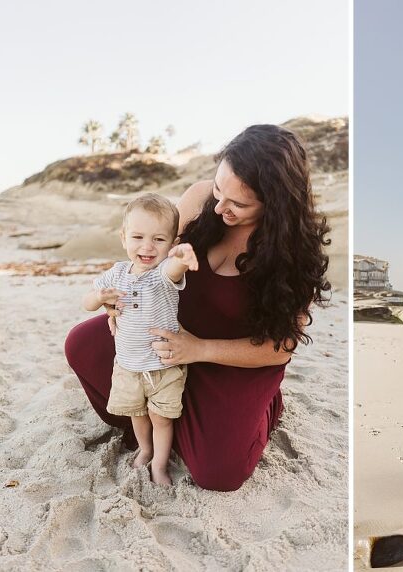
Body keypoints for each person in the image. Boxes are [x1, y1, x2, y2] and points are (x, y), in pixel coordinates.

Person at [66, 124, 331, 491]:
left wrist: (199, 349)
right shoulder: (199, 198)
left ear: (276, 203)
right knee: (82, 344)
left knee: (218, 475)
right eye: (220, 189)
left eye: (239, 203)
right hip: (164, 343)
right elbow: (149, 257)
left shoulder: (294, 253)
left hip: (230, 361)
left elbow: (282, 346)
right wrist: (120, 305)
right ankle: (158, 426)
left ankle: (267, 407)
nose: (220, 206)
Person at [82, 193, 199, 486]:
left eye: (159, 240)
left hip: (162, 368)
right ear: (123, 238)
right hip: (127, 366)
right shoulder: (117, 273)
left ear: (171, 244)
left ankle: (160, 464)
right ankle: (145, 449)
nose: (147, 246)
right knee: (138, 414)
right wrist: (99, 297)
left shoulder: (162, 273)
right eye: (137, 237)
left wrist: (182, 260)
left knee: (161, 418)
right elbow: (87, 303)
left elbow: (174, 270)